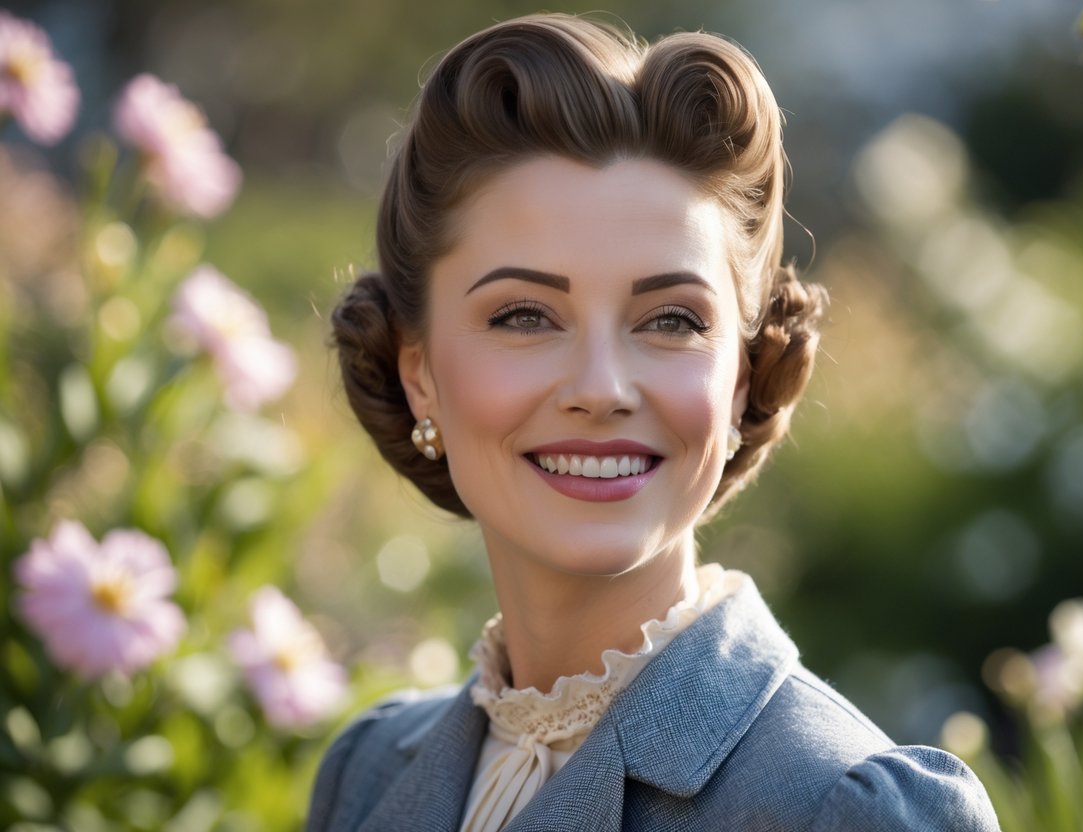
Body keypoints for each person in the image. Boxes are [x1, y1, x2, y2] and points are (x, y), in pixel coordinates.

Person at [310, 13, 1000, 832]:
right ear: (416, 372)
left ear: (742, 374)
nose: (600, 389)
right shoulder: (365, 776)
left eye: (671, 319)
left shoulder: (850, 808)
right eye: (525, 316)